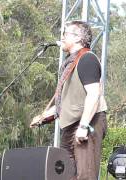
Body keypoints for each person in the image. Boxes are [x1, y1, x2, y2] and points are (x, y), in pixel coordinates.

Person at [30, 21, 107, 180]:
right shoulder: (70, 62)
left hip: (88, 122)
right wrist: (43, 117)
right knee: (65, 174)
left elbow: (94, 94)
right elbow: (66, 103)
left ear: (78, 38)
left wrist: (84, 126)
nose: (62, 37)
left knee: (85, 174)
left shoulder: (87, 59)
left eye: (65, 34)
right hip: (70, 125)